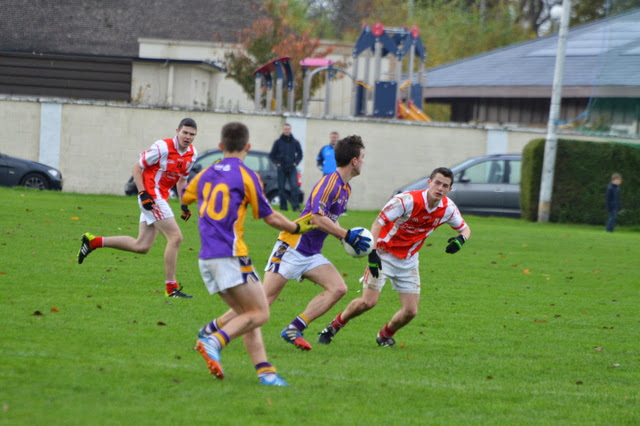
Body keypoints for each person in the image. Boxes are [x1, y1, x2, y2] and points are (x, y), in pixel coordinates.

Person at [203, 135, 369, 352]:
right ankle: (211, 331)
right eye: (363, 157)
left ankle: (294, 328)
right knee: (261, 302)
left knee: (338, 288)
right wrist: (346, 234)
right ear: (354, 161)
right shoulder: (330, 183)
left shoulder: (346, 189)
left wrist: (345, 239)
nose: (364, 161)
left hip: (311, 253)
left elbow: (329, 221)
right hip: (292, 246)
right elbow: (318, 217)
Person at [184, 122, 316, 386]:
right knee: (261, 312)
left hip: (206, 258)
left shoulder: (206, 174)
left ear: (220, 146)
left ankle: (265, 373)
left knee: (248, 315)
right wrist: (294, 226)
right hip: (231, 256)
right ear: (248, 147)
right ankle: (213, 340)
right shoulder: (246, 175)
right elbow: (269, 217)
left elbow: (187, 196)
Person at [317, 167, 471, 347]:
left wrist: (461, 240)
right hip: (383, 254)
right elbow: (378, 223)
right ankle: (333, 327)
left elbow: (465, 229)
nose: (440, 188)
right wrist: (372, 253)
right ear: (429, 183)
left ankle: (384, 335)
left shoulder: (448, 209)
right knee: (367, 302)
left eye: (445, 186)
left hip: (409, 260)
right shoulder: (407, 200)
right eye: (437, 183)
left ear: (449, 189)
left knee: (410, 312)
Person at [77, 118, 198, 298]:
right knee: (176, 237)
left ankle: (93, 242)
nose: (187, 137)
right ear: (177, 131)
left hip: (159, 198)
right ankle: (171, 288)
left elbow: (182, 181)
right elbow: (136, 167)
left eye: (192, 134)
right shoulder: (162, 147)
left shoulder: (192, 154)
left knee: (141, 246)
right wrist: (143, 193)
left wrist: (184, 204)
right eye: (185, 132)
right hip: (151, 196)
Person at [269, 123, 303, 211]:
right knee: (281, 189)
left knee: (294, 188)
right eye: (285, 129)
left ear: (290, 130)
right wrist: (277, 163)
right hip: (281, 168)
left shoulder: (295, 142)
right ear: (283, 130)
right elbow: (272, 155)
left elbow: (300, 154)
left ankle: (296, 207)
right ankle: (283, 207)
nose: (287, 130)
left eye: (288, 129)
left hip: (292, 168)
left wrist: (296, 163)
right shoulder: (278, 142)